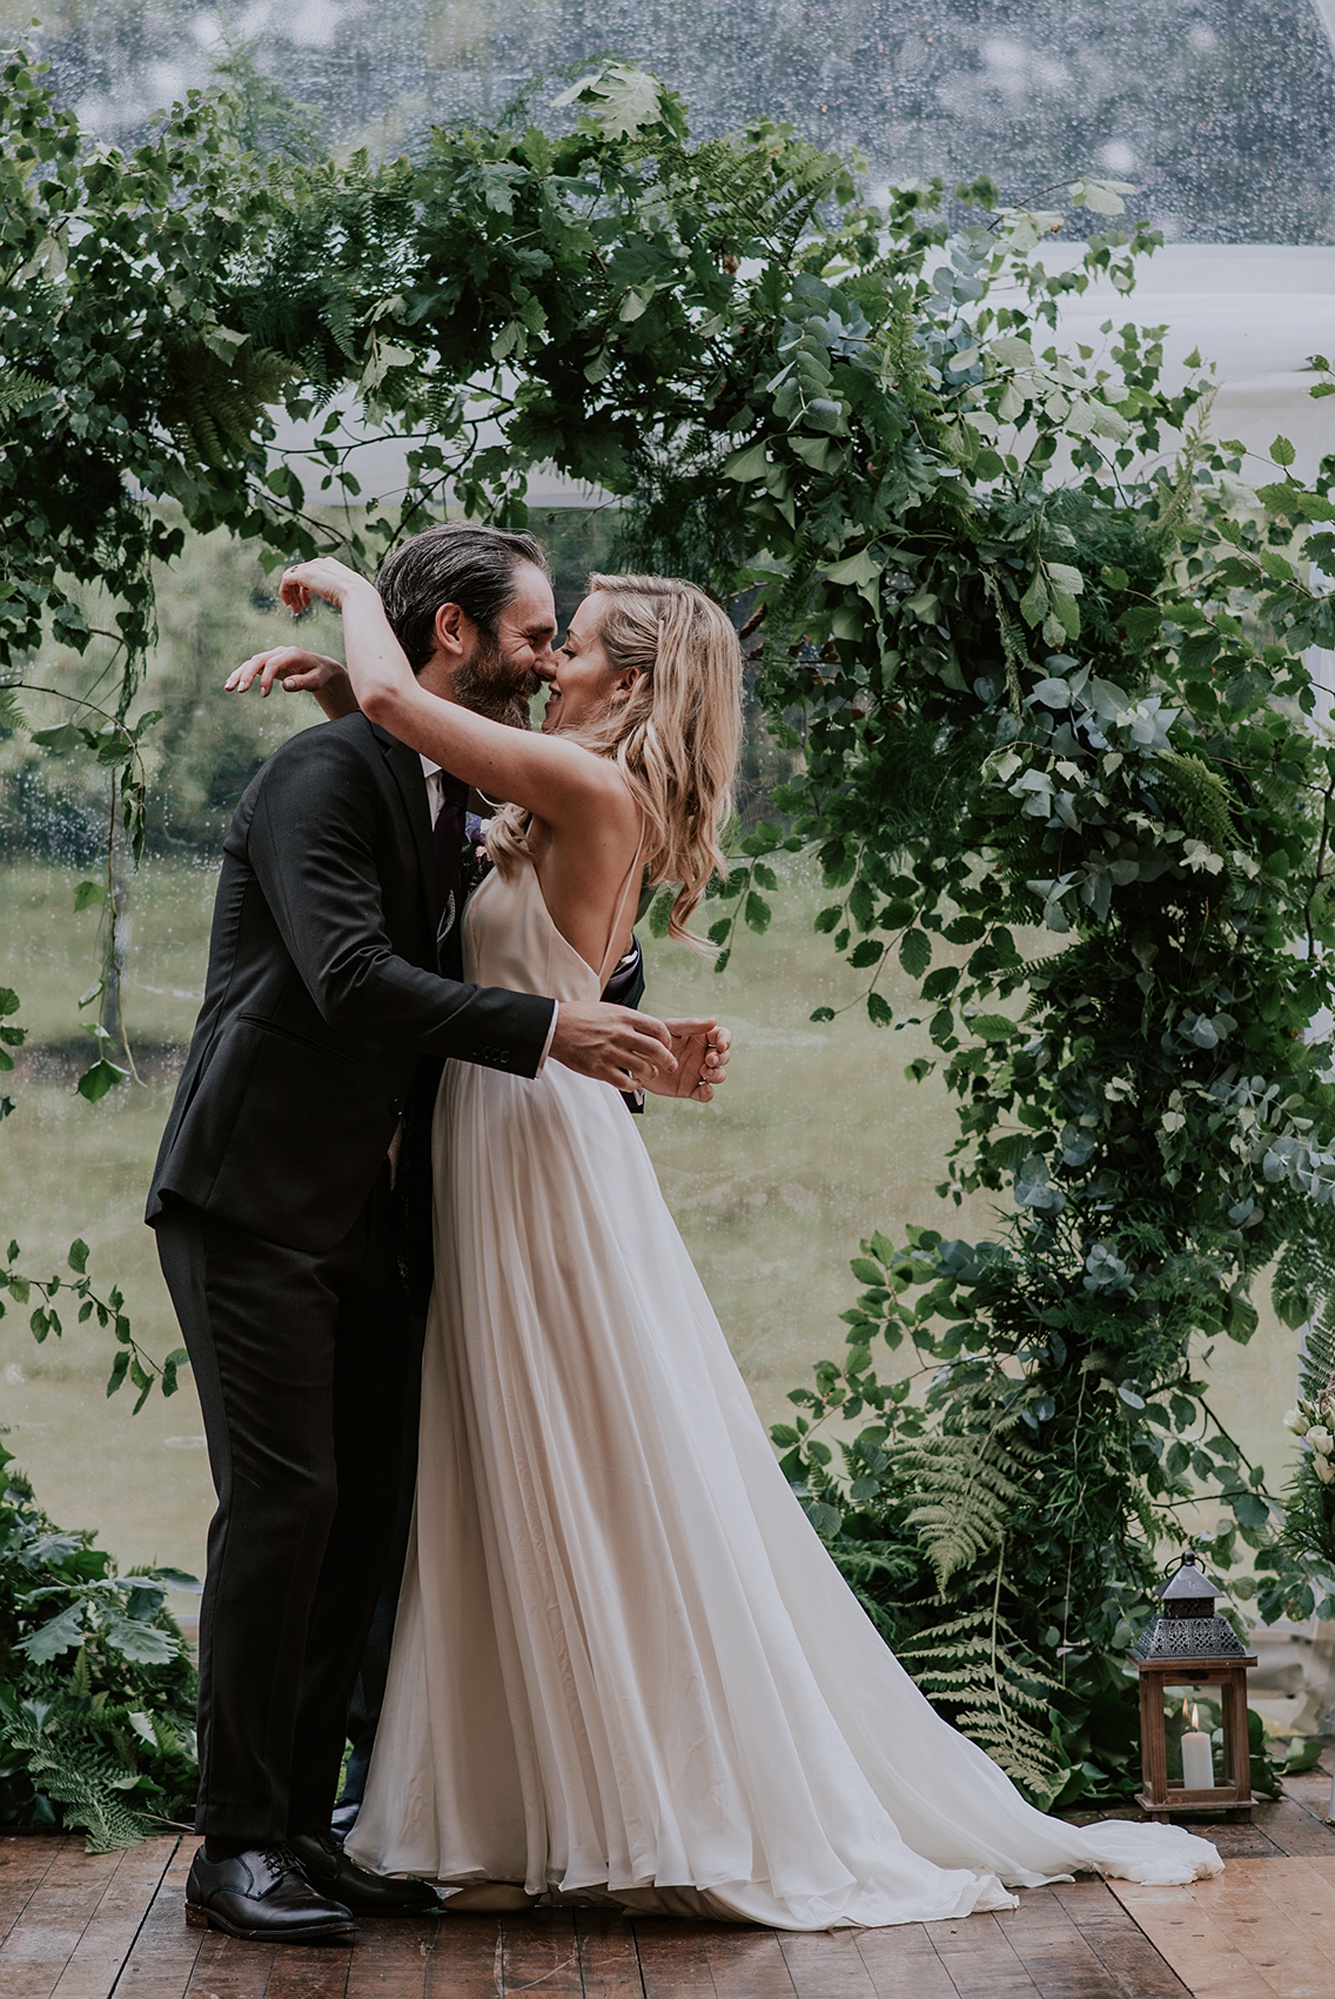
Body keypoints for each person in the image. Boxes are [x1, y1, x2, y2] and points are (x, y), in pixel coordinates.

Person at [273, 554, 1224, 1931]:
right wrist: (344, 707)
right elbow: (415, 772)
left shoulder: (592, 791)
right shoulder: (566, 786)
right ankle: (525, 1803)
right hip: (512, 1138)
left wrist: (352, 594)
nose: (550, 665)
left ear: (638, 679)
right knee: (516, 1465)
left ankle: (654, 1802)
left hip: (535, 1157)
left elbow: (391, 693)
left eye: (575, 646)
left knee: (586, 1462)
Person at [145, 525, 730, 1944]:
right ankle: (236, 1846)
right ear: (454, 634)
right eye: (536, 635)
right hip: (259, 1201)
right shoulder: (322, 774)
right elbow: (350, 980)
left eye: (565, 643)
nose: (548, 664)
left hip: (391, 1216)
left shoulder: (434, 778)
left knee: (364, 1522)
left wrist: (613, 1016)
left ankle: (304, 1827)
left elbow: (517, 901)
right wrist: (555, 1025)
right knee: (286, 1508)